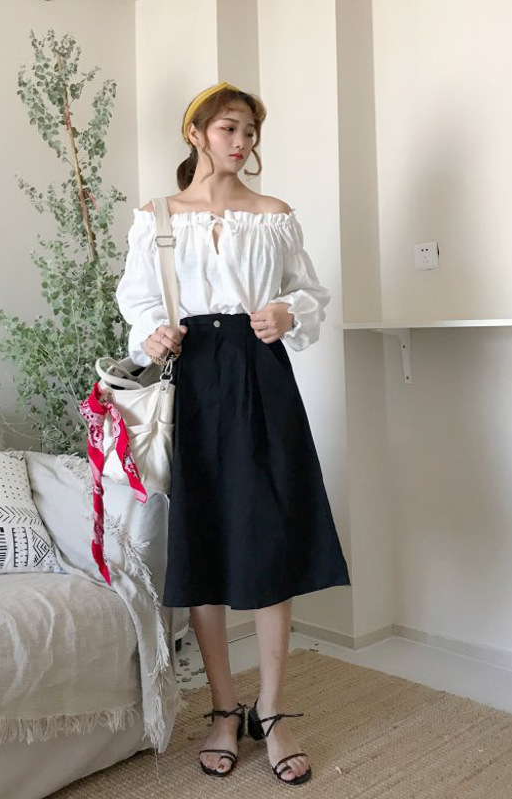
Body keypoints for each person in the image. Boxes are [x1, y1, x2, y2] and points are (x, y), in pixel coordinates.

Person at [116, 81, 350, 786]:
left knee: (269, 537)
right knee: (207, 543)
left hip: (261, 379)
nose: (241, 142)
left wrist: (287, 312)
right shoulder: (156, 217)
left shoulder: (273, 216)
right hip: (194, 380)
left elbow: (309, 292)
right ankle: (224, 710)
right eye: (228, 128)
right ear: (196, 133)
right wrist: (150, 333)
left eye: (249, 130)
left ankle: (271, 712)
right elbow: (137, 300)